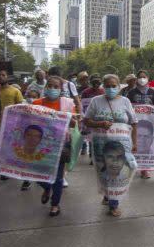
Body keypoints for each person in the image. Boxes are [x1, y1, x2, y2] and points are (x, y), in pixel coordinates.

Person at [84, 74, 138, 217]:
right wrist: (99, 124)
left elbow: (133, 122)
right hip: (101, 145)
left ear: (119, 87)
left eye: (114, 86)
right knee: (105, 173)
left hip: (122, 145)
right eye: (107, 86)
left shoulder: (125, 101)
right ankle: (109, 196)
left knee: (120, 171)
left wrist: (135, 142)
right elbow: (86, 120)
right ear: (103, 87)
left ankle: (113, 204)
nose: (110, 88)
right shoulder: (96, 101)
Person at [32, 76, 77, 216]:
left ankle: (55, 204)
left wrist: (69, 118)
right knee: (36, 173)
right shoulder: (37, 103)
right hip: (40, 144)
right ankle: (47, 187)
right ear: (45, 88)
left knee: (58, 177)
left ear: (61, 89)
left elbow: (74, 124)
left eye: (56, 87)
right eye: (49, 86)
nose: (52, 89)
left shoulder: (68, 104)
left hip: (60, 143)